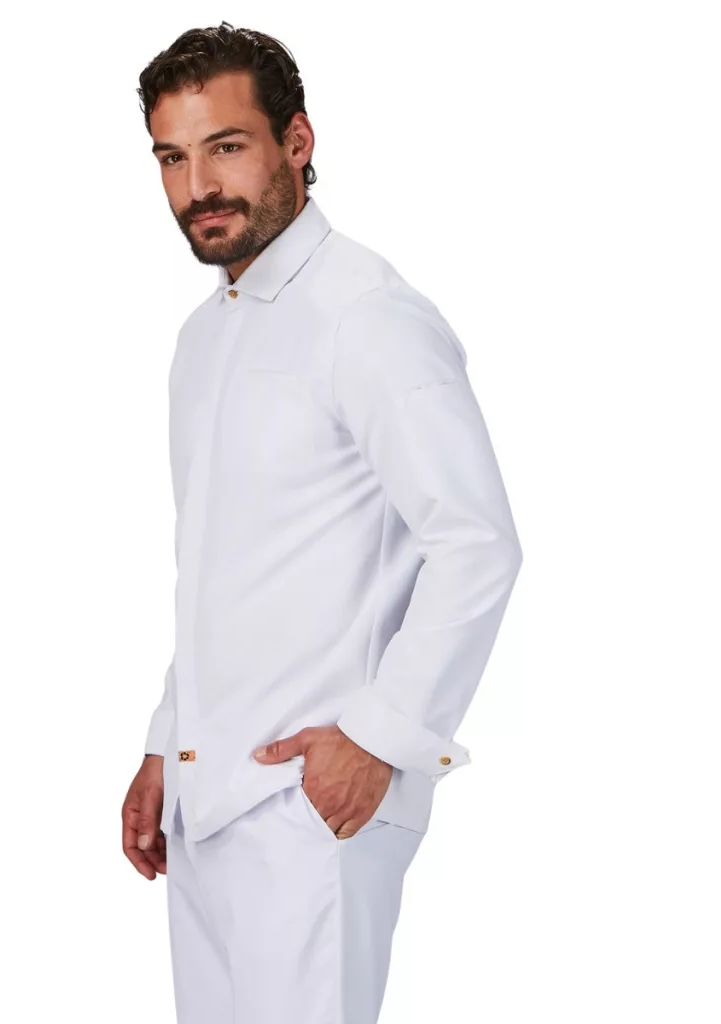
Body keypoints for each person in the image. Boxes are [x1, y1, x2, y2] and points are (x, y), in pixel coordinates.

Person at [120, 21, 523, 1024]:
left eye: (226, 147)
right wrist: (167, 744)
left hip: (313, 804)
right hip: (208, 804)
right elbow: (220, 569)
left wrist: (381, 739)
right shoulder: (202, 339)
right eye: (172, 157)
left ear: (296, 141)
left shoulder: (367, 315)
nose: (198, 187)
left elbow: (475, 542)